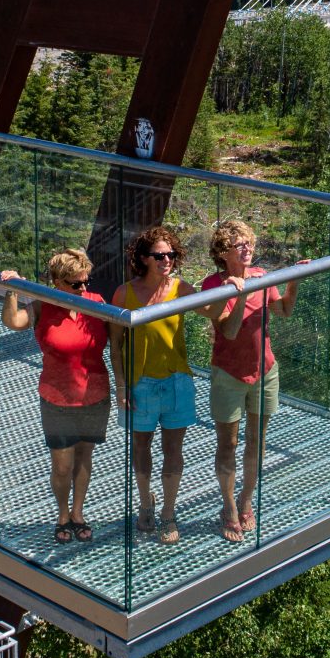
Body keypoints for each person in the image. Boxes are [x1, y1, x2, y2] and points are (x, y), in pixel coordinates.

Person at [200, 219, 305, 542]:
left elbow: (284, 311)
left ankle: (246, 499)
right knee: (228, 444)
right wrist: (242, 293)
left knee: (256, 441)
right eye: (239, 245)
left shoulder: (261, 278)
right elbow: (228, 332)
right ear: (223, 252)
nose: (248, 249)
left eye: (250, 243)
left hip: (265, 370)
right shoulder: (212, 286)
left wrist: (294, 281)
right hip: (229, 374)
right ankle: (229, 507)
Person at [0, 249, 111, 544]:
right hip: (57, 397)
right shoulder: (42, 307)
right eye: (76, 284)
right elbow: (13, 321)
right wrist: (12, 290)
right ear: (58, 282)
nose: (83, 289)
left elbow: (121, 341)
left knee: (85, 458)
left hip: (95, 393)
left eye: (86, 281)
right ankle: (62, 514)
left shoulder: (97, 304)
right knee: (62, 466)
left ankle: (78, 513)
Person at [110, 225, 195, 544]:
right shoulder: (124, 294)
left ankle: (169, 513)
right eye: (159, 255)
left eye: (171, 254)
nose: (167, 260)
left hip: (176, 381)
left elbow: (213, 311)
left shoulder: (181, 289)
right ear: (143, 258)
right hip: (139, 382)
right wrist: (120, 386)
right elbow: (115, 345)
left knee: (174, 449)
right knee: (141, 447)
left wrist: (233, 285)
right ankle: (146, 502)